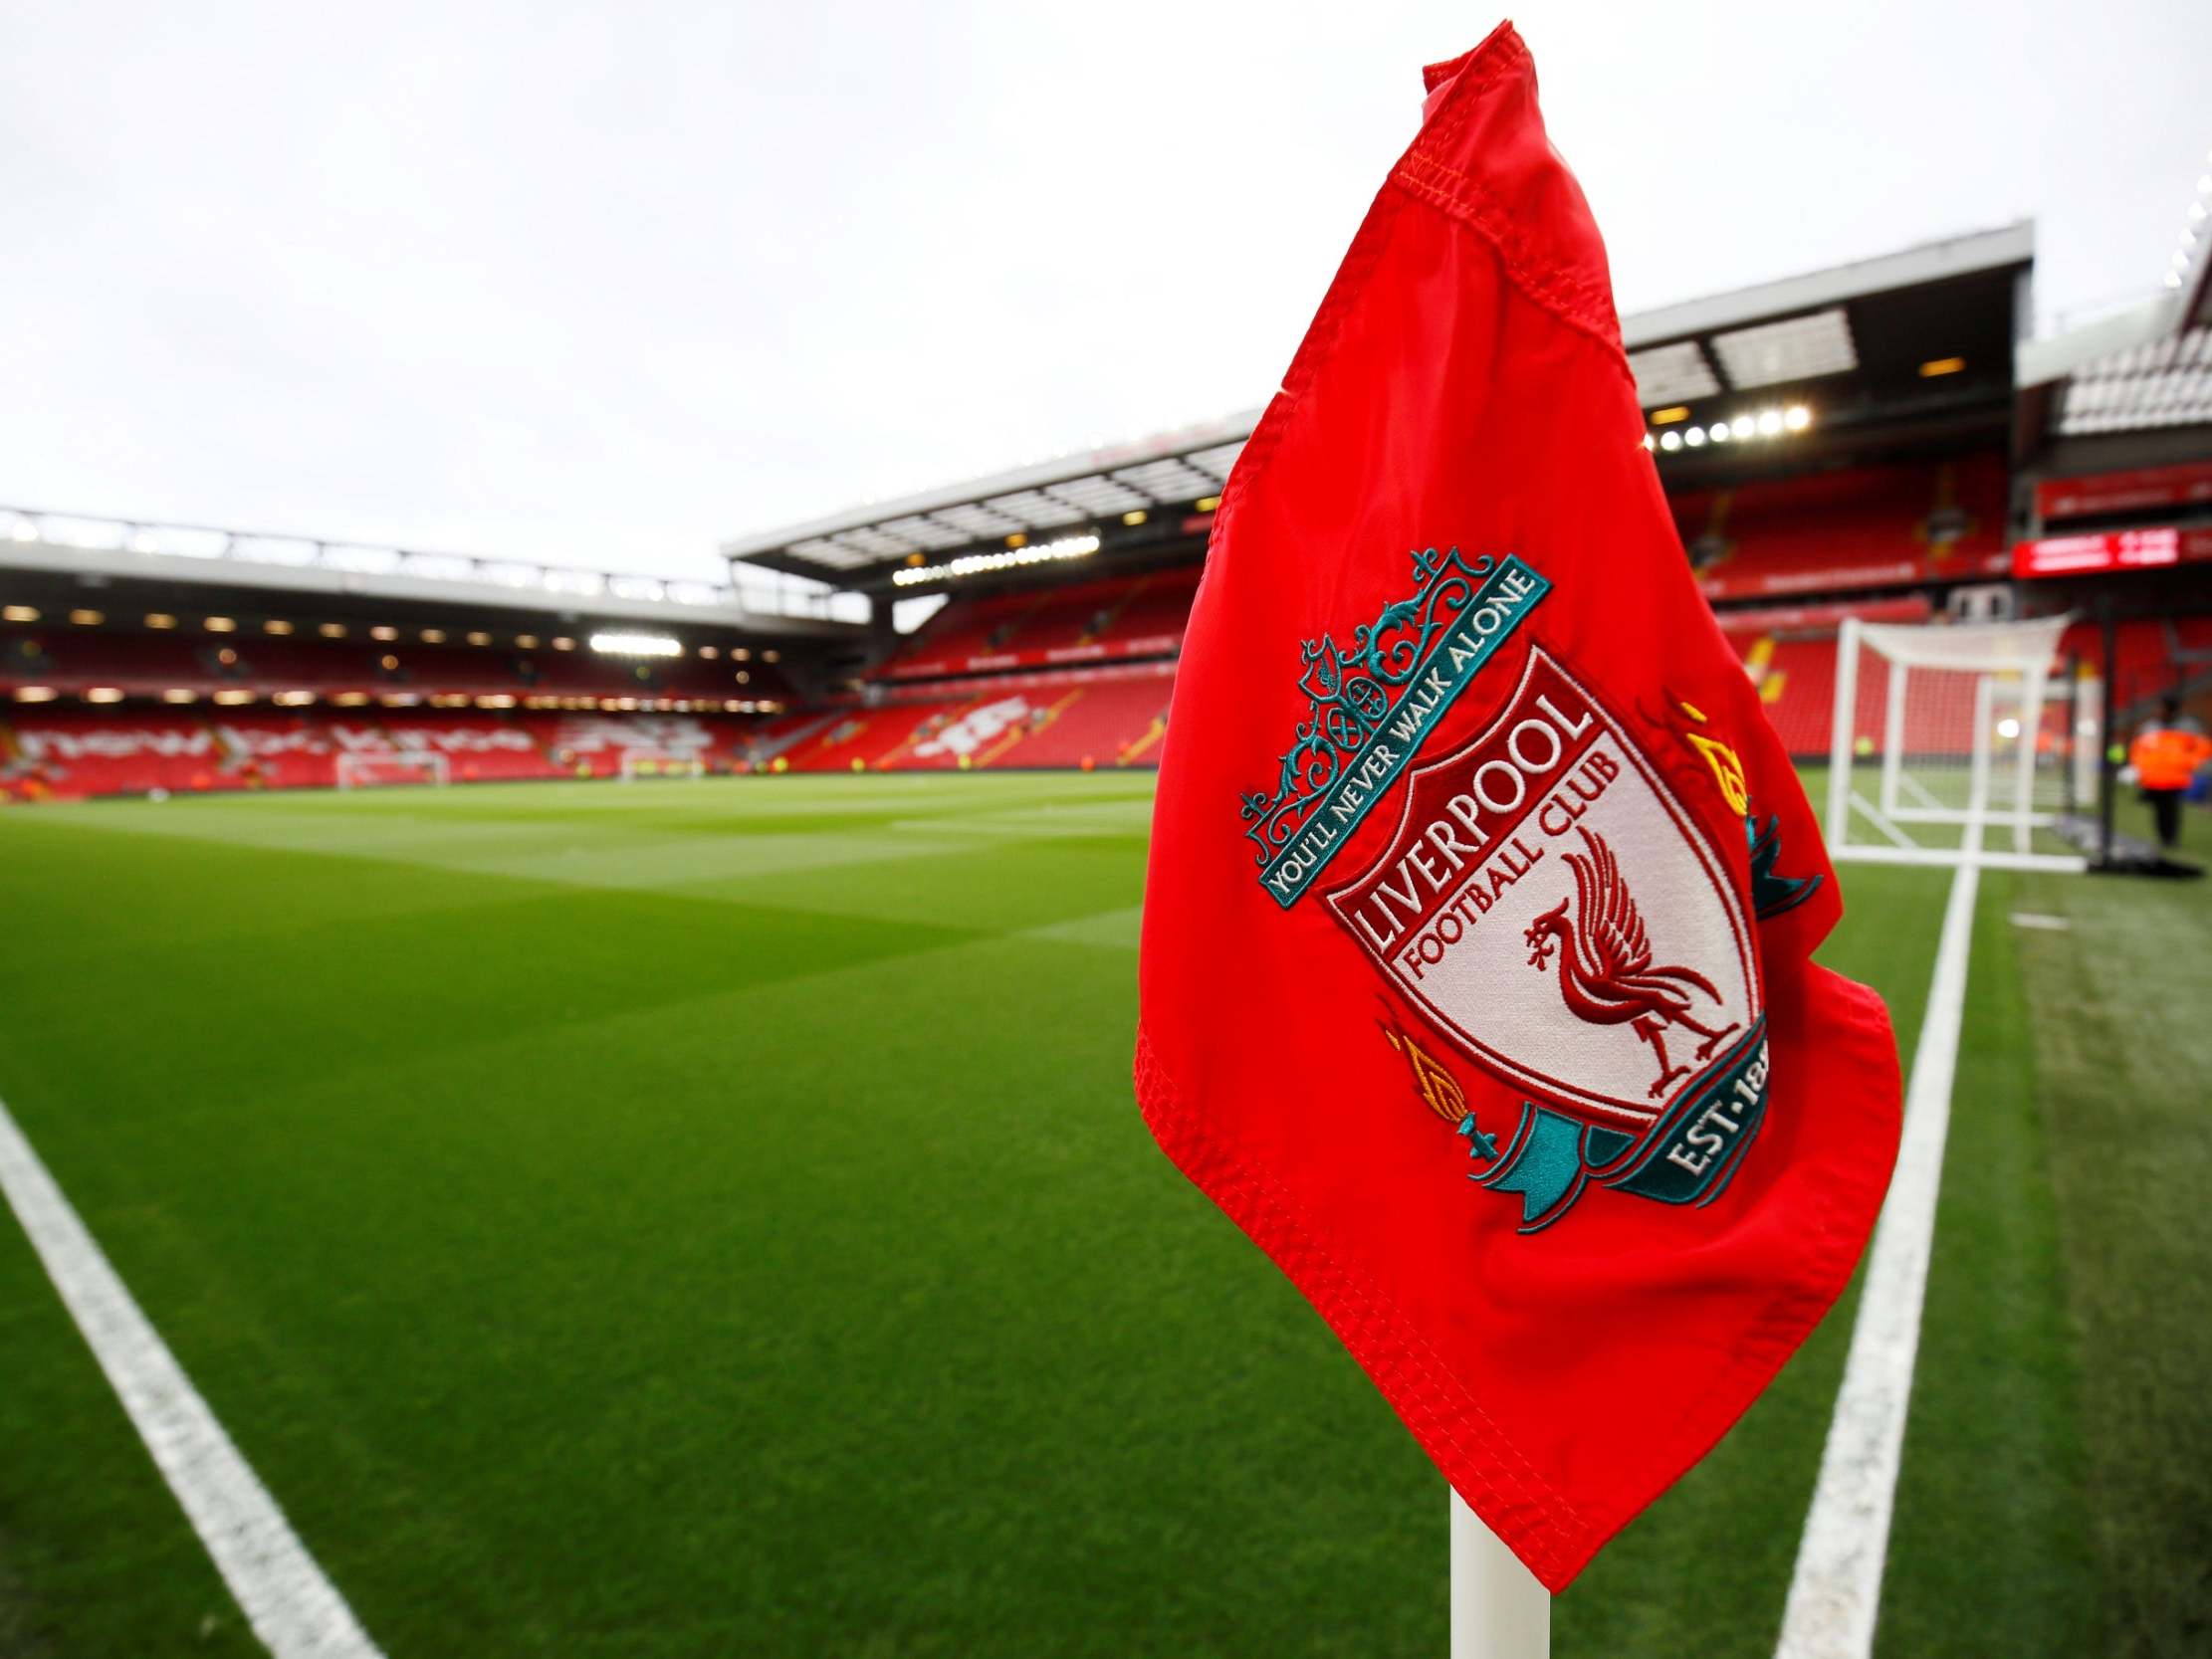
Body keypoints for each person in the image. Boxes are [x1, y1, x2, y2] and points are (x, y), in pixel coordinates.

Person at [2127, 695, 2211, 852]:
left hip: (2174, 779)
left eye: (2162, 708)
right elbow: (2138, 749)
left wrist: (2189, 763)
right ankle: (2163, 837)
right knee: (2159, 810)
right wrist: (2139, 767)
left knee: (2170, 809)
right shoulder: (2150, 727)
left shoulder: (2188, 728)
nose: (2158, 711)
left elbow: (2203, 749)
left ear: (2171, 710)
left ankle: (2170, 839)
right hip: (2152, 778)